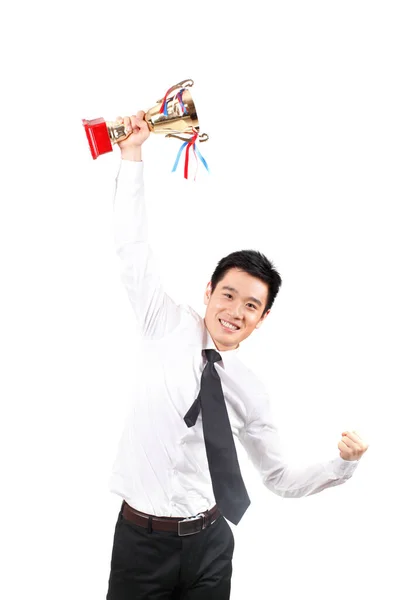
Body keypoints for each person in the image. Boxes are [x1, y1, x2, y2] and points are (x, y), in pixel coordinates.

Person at [105, 111, 369, 600]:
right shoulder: (162, 323)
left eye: (252, 305)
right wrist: (132, 154)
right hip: (141, 544)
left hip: (210, 543)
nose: (235, 311)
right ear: (208, 291)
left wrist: (342, 464)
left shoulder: (249, 389)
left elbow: (279, 478)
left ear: (262, 318)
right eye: (228, 295)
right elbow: (131, 247)